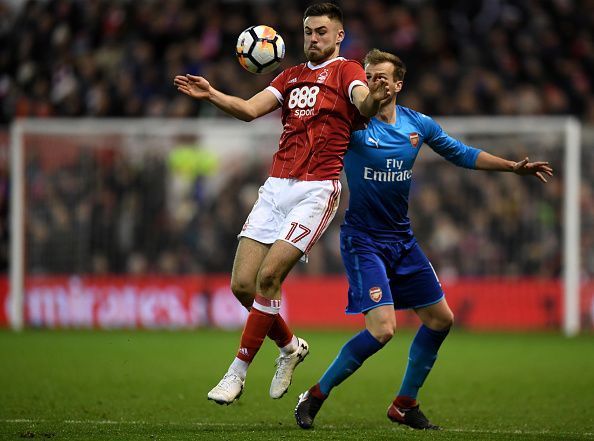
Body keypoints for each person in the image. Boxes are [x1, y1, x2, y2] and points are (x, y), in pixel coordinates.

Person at [294, 49, 554, 430]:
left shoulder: (418, 125)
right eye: (369, 76)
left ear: (399, 84)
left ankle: (404, 403)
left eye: (383, 76)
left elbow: (462, 154)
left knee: (440, 320)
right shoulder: (351, 125)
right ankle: (314, 396)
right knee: (383, 330)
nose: (375, 81)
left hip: (401, 240)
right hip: (363, 240)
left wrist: (512, 167)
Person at [174, 4, 391, 405]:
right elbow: (249, 110)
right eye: (308, 32)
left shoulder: (348, 71)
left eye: (322, 32)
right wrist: (213, 94)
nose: (313, 38)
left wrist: (374, 99)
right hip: (275, 187)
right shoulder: (289, 76)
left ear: (339, 36)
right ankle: (290, 348)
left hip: (316, 190)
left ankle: (236, 373)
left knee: (269, 279)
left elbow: (362, 104)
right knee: (243, 286)